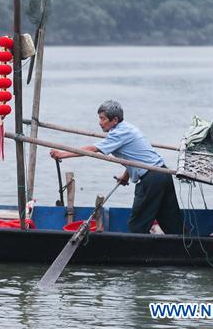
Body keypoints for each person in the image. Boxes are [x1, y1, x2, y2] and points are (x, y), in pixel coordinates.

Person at [49, 100, 184, 234]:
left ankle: (140, 254)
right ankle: (185, 252)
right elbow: (134, 157)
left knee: (137, 225)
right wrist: (125, 176)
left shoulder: (118, 133)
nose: (100, 122)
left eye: (103, 119)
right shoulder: (126, 128)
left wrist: (62, 154)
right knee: (171, 223)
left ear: (114, 120)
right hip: (162, 174)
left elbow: (92, 149)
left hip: (152, 179)